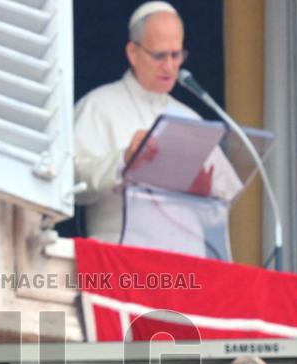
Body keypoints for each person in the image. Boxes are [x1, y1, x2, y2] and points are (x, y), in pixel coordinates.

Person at [73, 1, 239, 243]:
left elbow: (221, 212)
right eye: (159, 55)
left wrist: (204, 194)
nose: (170, 66)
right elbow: (72, 183)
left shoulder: (192, 120)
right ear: (133, 53)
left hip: (185, 257)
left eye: (176, 55)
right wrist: (123, 160)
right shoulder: (99, 106)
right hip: (122, 255)